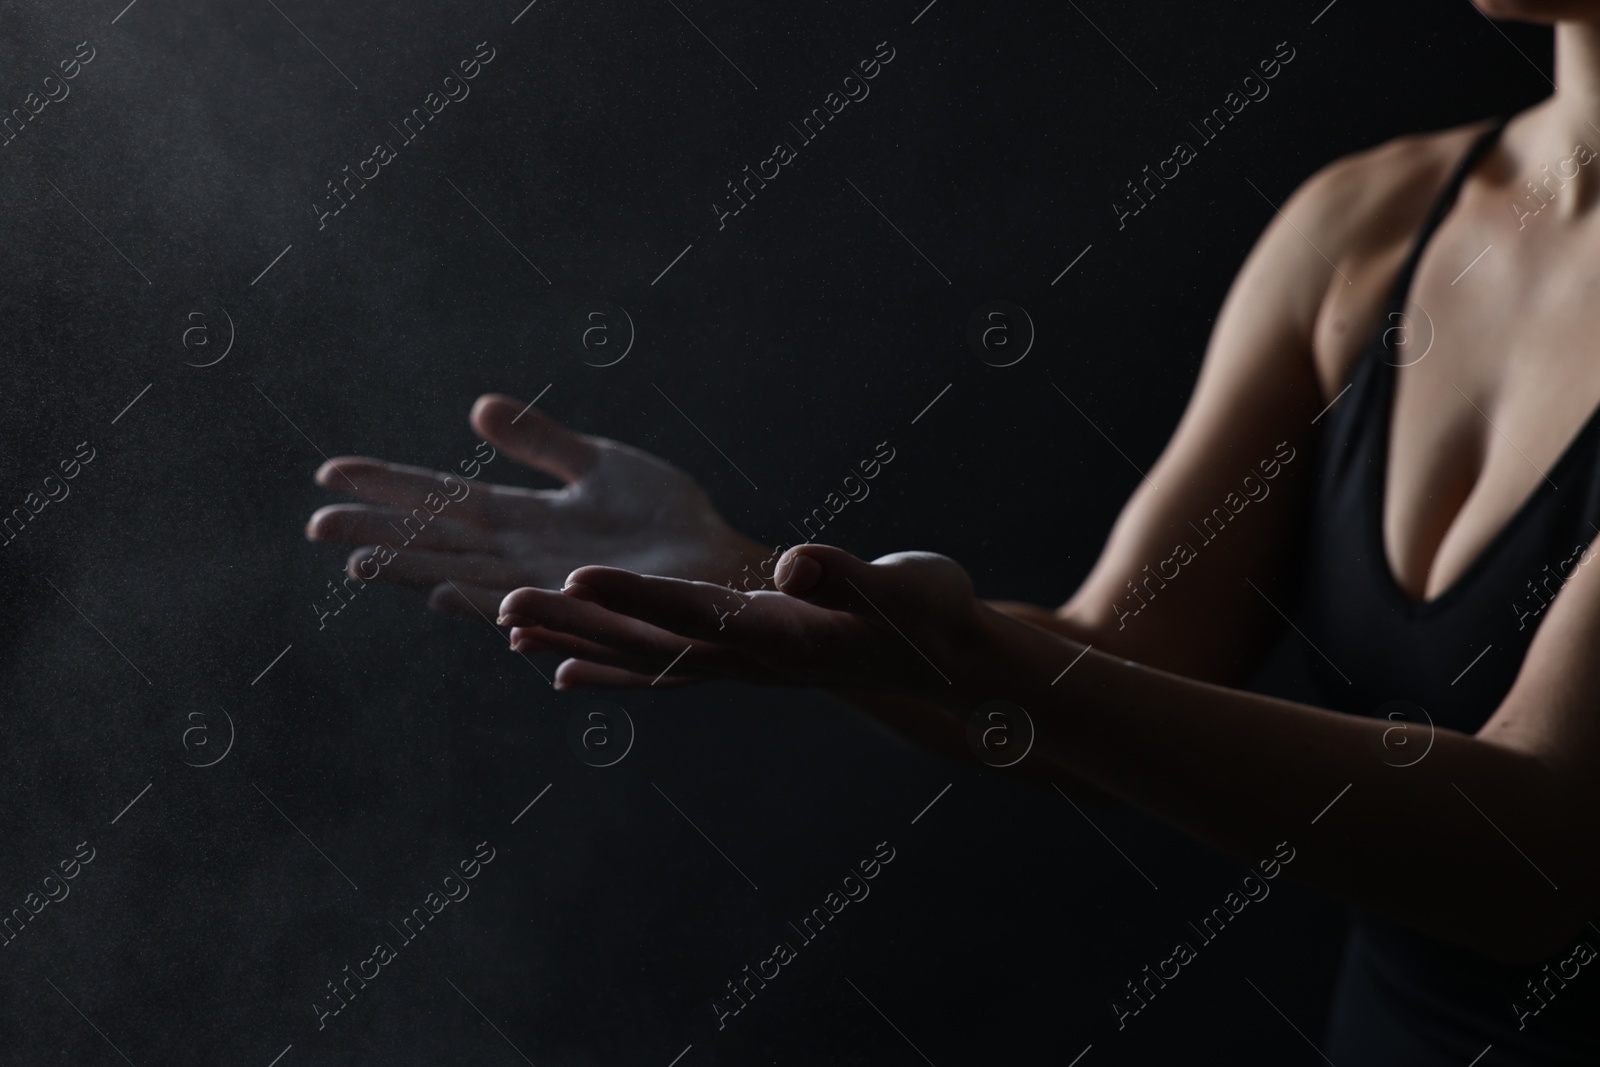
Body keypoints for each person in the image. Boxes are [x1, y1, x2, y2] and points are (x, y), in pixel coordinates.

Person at [305, 3, 1600, 1060]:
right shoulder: (1366, 226)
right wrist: (760, 583)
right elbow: (1120, 662)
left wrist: (972, 661)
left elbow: (1538, 854)